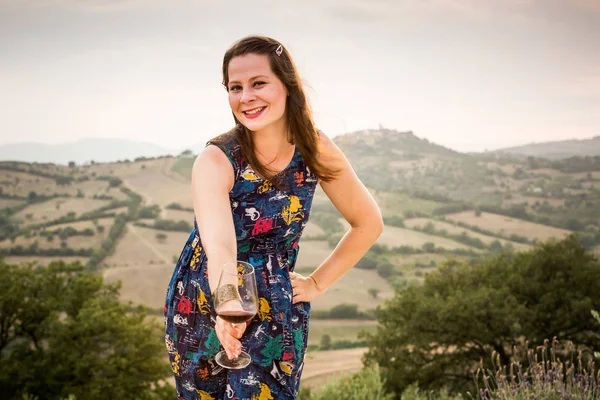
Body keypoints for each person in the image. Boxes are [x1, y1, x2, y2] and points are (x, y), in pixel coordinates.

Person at [164, 35, 383, 400]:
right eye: (235, 87)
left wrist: (317, 283)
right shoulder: (216, 159)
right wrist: (229, 304)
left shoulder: (315, 149)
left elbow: (368, 223)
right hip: (204, 301)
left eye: (259, 83)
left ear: (287, 86)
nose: (245, 96)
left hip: (278, 305)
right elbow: (219, 243)